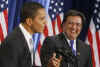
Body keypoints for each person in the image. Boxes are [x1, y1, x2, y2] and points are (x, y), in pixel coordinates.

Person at [0, 2, 46, 67]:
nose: (45, 23)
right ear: (29, 21)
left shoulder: (28, 38)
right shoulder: (13, 43)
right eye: (42, 19)